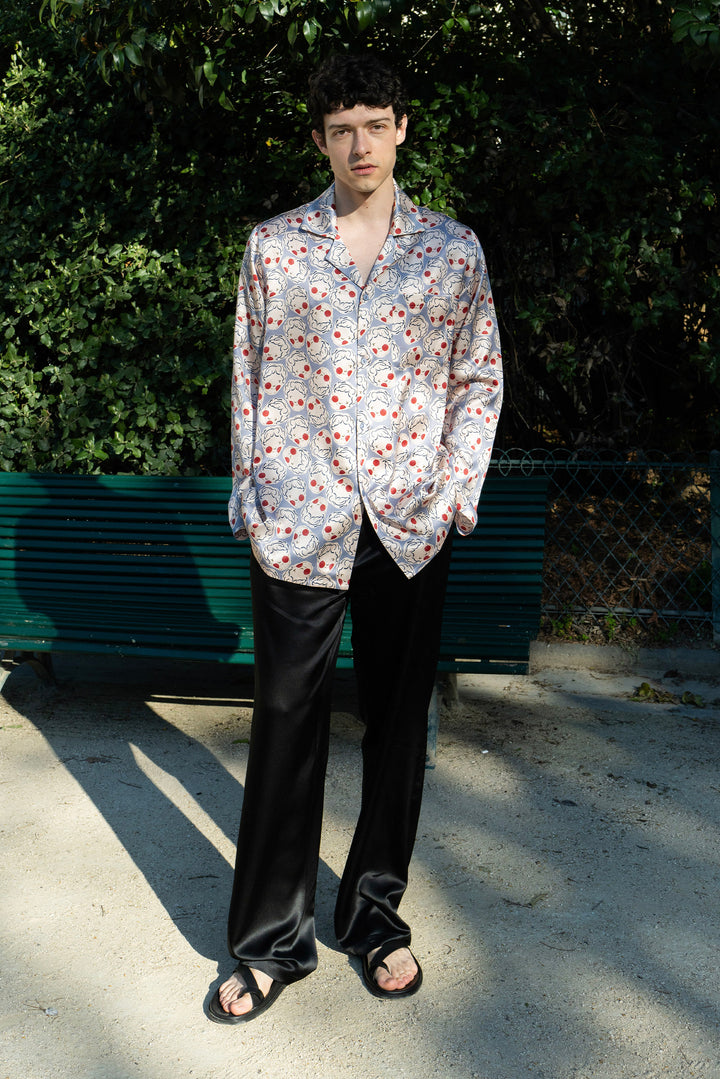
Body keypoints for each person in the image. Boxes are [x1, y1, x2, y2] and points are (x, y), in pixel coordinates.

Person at [208, 51, 503, 1023]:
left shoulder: (451, 251)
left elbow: (477, 376)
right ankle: (269, 941)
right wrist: (253, 500)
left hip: (410, 524)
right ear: (320, 139)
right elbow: (248, 374)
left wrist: (454, 495)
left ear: (402, 128)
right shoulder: (275, 248)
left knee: (398, 726)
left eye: (376, 124)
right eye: (342, 129)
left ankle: (374, 916)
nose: (361, 145)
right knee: (284, 721)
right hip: (301, 518)